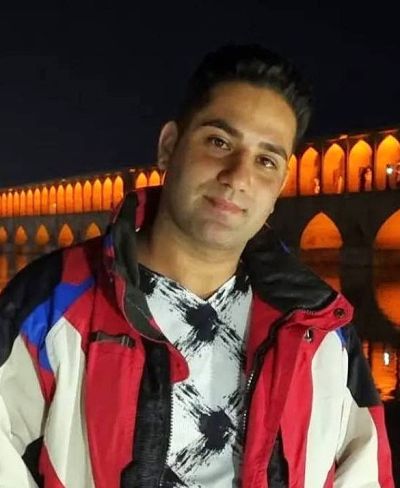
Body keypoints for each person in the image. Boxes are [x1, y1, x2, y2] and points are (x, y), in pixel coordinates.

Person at [0, 45, 394, 488]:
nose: (238, 176)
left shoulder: (320, 330)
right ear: (169, 147)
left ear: (281, 185)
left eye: (266, 161)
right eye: (219, 142)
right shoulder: (53, 303)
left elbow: (366, 472)